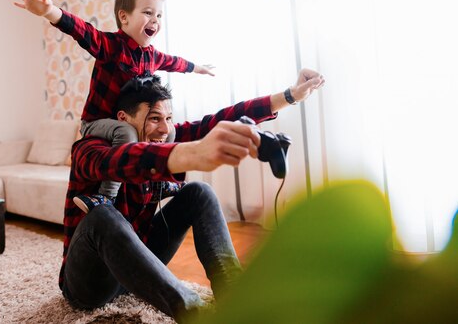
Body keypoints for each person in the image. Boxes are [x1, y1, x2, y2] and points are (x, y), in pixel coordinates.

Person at [61, 69, 325, 323]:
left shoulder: (165, 134)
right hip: (90, 286)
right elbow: (119, 161)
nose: (164, 129)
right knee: (103, 215)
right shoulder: (88, 149)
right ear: (123, 119)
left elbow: (218, 121)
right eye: (154, 118)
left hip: (134, 270)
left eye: (168, 119)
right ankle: (195, 313)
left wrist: (289, 96)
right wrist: (192, 153)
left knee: (199, 192)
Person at [9, 0, 214, 213]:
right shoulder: (111, 46)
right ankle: (105, 197)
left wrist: (198, 67)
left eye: (159, 16)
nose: (155, 21)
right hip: (96, 123)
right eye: (148, 13)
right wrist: (49, 11)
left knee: (172, 130)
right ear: (124, 17)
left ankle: (160, 185)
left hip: (126, 119)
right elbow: (82, 31)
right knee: (125, 131)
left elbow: (175, 63)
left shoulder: (153, 56)